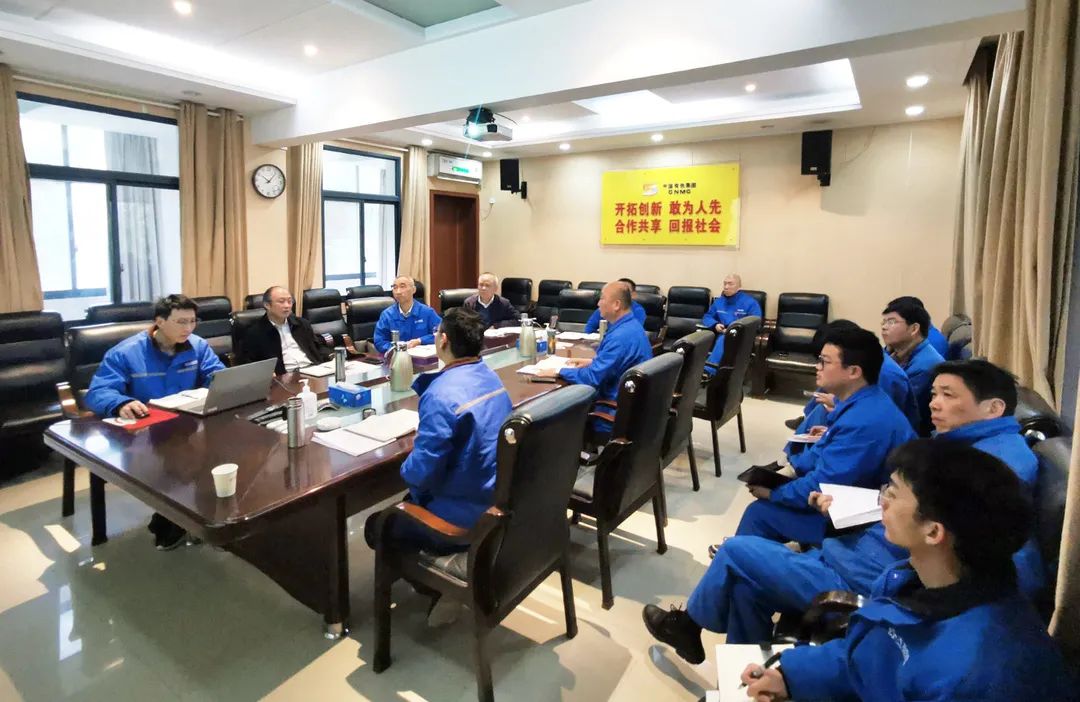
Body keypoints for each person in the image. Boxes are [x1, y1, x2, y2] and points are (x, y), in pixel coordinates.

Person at [643, 359, 1044, 654]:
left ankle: (689, 624)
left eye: (948, 396)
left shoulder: (996, 468)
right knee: (747, 588)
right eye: (935, 393)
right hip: (856, 548)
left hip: (866, 576)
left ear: (993, 408)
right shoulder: (968, 445)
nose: (934, 404)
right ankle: (744, 682)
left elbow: (971, 556)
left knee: (735, 551)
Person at [740, 441, 1073, 702]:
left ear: (933, 531)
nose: (882, 501)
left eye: (892, 493)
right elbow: (870, 657)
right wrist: (790, 676)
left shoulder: (975, 673)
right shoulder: (912, 577)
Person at [735, 327, 915, 546]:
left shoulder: (864, 422)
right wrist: (786, 474)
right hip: (848, 497)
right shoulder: (861, 403)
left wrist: (775, 493)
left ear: (853, 371)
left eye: (824, 362)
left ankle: (739, 558)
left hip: (861, 521)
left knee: (759, 513)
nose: (817, 367)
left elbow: (824, 483)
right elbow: (820, 454)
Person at [85, 294, 226, 550]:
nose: (188, 328)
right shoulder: (126, 352)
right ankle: (174, 520)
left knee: (227, 447)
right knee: (180, 460)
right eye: (181, 322)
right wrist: (120, 403)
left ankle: (201, 516)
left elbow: (215, 375)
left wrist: (225, 383)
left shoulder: (197, 346)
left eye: (192, 321)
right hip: (145, 432)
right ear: (159, 321)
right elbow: (98, 392)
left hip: (186, 425)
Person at [537, 280, 652, 436]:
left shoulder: (620, 337)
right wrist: (592, 362)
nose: (598, 303)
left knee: (551, 414)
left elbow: (592, 378)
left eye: (602, 299)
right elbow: (619, 362)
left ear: (616, 305)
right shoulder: (631, 326)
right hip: (631, 406)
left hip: (611, 412)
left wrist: (559, 371)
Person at [882, 298, 944, 435]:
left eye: (891, 322)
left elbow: (896, 407)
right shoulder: (895, 352)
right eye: (884, 322)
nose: (884, 327)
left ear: (914, 329)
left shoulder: (925, 365)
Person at [242, 286, 332, 374]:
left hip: (313, 370)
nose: (287, 306)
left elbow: (317, 346)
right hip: (285, 375)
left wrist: (331, 357)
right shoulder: (255, 333)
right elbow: (249, 363)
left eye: (290, 301)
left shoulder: (302, 324)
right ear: (267, 305)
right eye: (281, 302)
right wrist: (266, 373)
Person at [701, 274, 762, 375]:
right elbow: (707, 316)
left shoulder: (750, 303)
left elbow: (756, 323)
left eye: (730, 284)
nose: (726, 287)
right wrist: (715, 325)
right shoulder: (719, 302)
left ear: (739, 287)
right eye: (725, 284)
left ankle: (708, 371)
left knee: (726, 338)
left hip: (741, 336)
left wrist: (735, 330)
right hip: (721, 333)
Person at [373, 276, 442, 353]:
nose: (398, 292)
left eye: (402, 287)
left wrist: (420, 341)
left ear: (413, 290)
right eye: (395, 287)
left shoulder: (427, 312)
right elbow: (379, 342)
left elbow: (441, 334)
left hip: (422, 357)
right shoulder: (387, 315)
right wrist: (400, 348)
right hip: (397, 357)